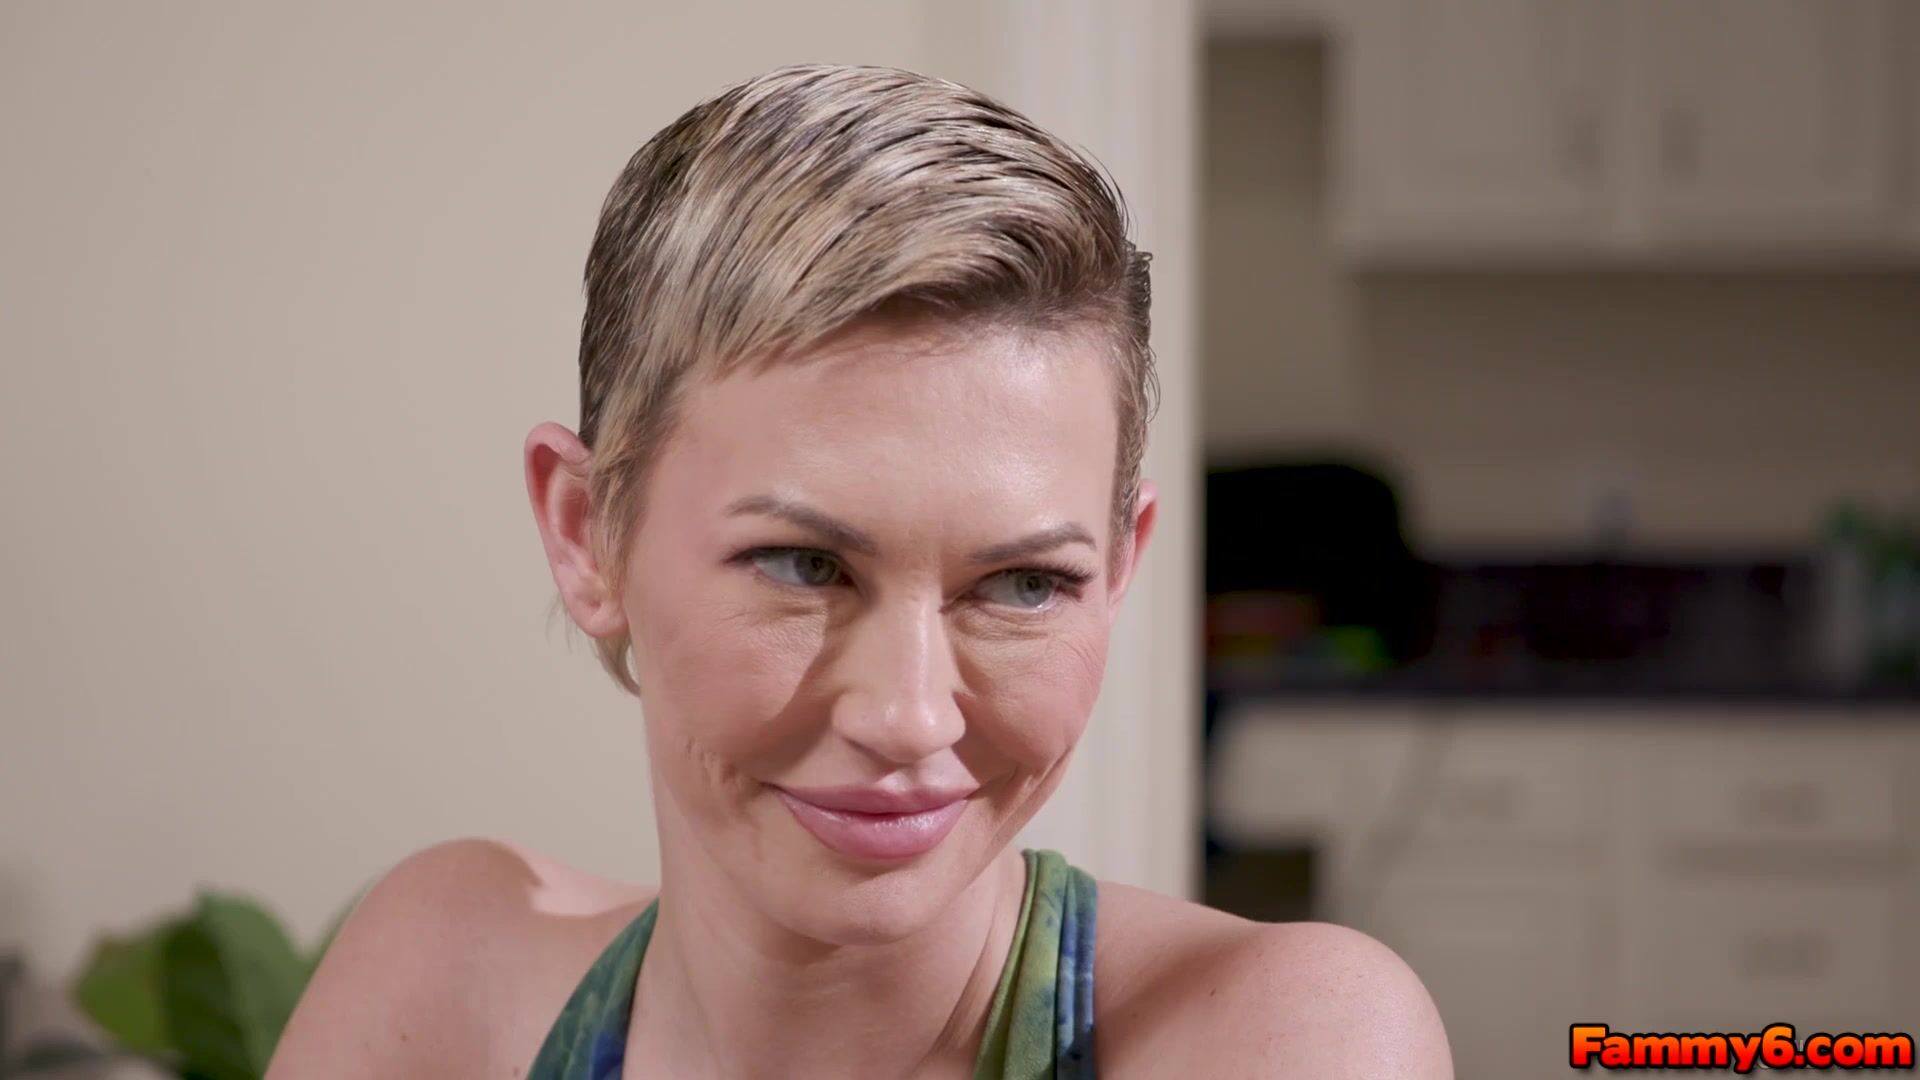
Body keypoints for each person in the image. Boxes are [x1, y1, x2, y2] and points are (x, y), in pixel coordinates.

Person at [267, 63, 1450, 1079]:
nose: (910, 717)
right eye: (804, 566)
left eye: (1024, 584)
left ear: (1123, 565)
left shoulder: (1285, 1035)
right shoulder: (451, 983)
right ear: (587, 534)